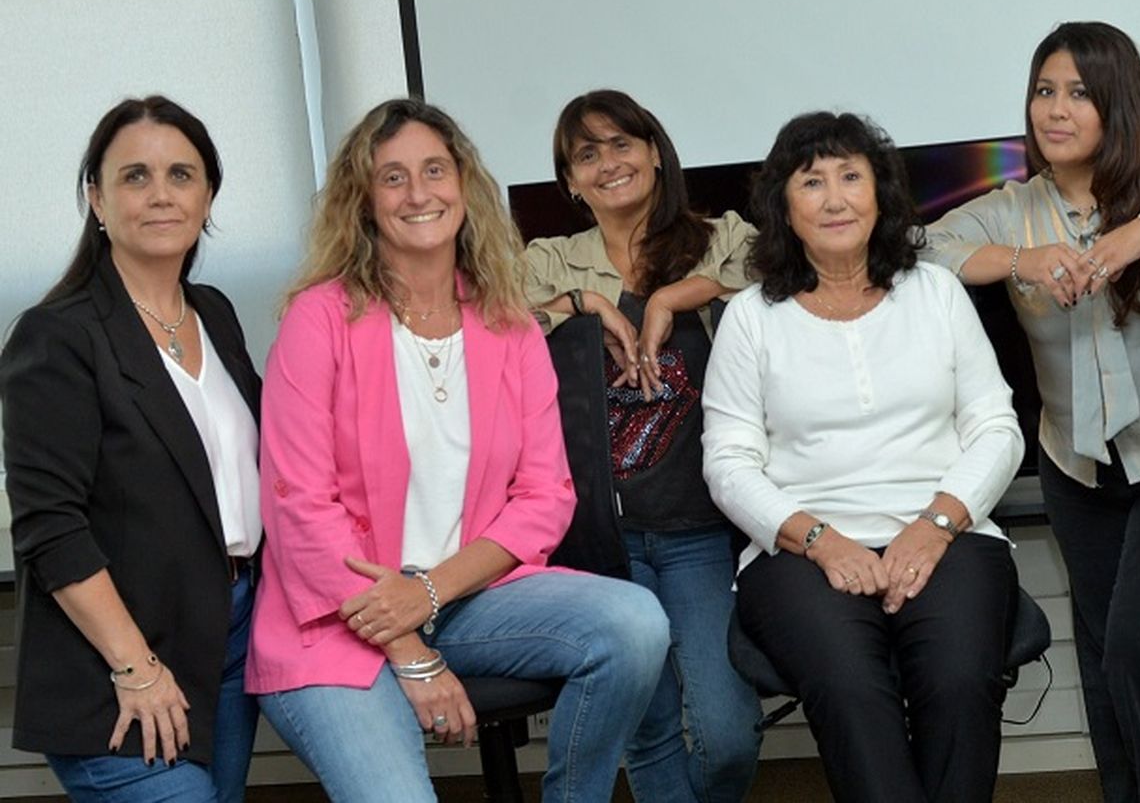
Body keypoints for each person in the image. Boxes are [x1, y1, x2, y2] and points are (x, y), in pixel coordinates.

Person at [246, 98, 670, 803]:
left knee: (635, 624)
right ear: (364, 201)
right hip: (334, 621)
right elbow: (298, 510)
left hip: (466, 599)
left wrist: (430, 593)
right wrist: (409, 651)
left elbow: (545, 496)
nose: (419, 193)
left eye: (435, 170)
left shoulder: (506, 323)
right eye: (393, 178)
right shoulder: (319, 320)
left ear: (463, 187)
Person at [923, 21, 1140, 802]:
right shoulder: (1014, 207)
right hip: (1074, 464)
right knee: (1100, 655)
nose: (1055, 110)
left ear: (1120, 102)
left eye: (1080, 93)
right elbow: (920, 246)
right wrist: (1019, 260)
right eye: (1043, 90)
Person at [702, 111, 1024, 803]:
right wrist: (818, 540)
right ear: (784, 206)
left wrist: (935, 524)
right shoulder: (751, 316)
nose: (836, 197)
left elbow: (998, 427)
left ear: (881, 193)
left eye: (852, 176)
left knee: (960, 677)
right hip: (799, 549)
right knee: (851, 688)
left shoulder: (935, 292)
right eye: (812, 181)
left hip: (948, 531)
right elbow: (728, 465)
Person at [0, 96, 261, 802]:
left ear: (208, 196)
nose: (160, 195)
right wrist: (135, 668)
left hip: (226, 638)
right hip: (114, 662)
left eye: (181, 175)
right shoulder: (56, 336)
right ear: (97, 198)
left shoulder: (215, 314)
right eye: (134, 176)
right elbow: (50, 527)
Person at [524, 89, 762, 803]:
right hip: (601, 540)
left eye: (622, 144)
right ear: (569, 180)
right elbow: (496, 328)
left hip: (697, 531)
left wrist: (670, 297)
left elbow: (776, 279)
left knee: (727, 735)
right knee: (649, 730)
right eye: (586, 154)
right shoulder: (550, 260)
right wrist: (583, 304)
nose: (608, 163)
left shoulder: (720, 235)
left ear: (655, 153)